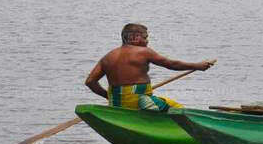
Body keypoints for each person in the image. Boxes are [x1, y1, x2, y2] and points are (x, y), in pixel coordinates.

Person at [85, 23, 214, 112]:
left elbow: (90, 82)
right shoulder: (143, 51)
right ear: (134, 38)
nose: (147, 41)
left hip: (116, 103)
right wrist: (197, 66)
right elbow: (171, 64)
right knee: (179, 110)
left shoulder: (107, 57)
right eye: (145, 37)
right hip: (140, 102)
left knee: (158, 102)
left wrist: (109, 96)